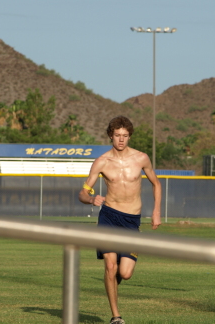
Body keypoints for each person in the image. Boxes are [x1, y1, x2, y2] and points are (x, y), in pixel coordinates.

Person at [78, 115, 162, 324]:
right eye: (117, 135)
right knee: (110, 266)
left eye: (125, 136)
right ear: (110, 136)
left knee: (124, 273)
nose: (121, 140)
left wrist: (156, 211)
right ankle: (116, 316)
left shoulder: (141, 158)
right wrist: (91, 199)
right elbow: (82, 193)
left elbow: (156, 184)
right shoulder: (102, 162)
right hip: (108, 217)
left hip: (132, 221)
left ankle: (111, 284)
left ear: (129, 136)